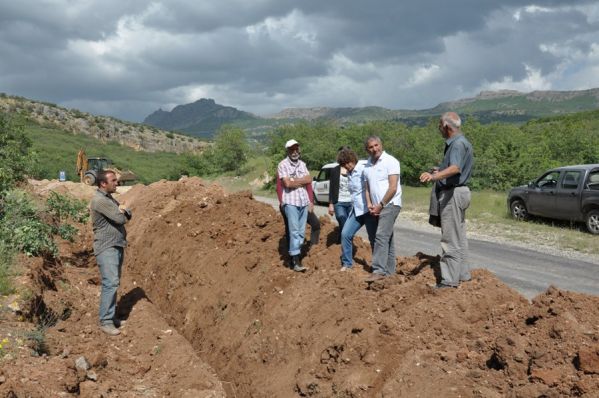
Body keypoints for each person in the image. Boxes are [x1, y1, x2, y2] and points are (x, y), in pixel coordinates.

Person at [419, 112, 473, 289]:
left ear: (447, 127)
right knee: (460, 237)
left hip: (453, 194)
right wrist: (440, 169)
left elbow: (456, 168)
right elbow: (455, 167)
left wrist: (433, 177)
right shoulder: (463, 142)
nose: (439, 129)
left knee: (450, 238)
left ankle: (449, 281)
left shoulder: (456, 144)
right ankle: (463, 275)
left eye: (439, 126)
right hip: (462, 192)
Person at [90, 169, 132, 335]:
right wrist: (123, 211)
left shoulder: (108, 198)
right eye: (113, 180)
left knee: (114, 282)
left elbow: (126, 213)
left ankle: (111, 316)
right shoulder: (100, 200)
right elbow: (121, 218)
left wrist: (124, 210)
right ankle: (106, 321)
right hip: (107, 247)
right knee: (111, 282)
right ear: (103, 183)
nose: (117, 183)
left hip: (116, 245)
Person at [363, 135, 402, 281]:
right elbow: (366, 188)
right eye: (371, 147)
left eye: (376, 145)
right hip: (377, 206)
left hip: (390, 204)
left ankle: (378, 270)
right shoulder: (367, 165)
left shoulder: (391, 161)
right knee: (387, 238)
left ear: (381, 145)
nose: (374, 149)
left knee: (380, 236)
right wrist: (369, 204)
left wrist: (381, 205)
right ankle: (390, 273)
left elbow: (393, 188)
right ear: (367, 150)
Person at [277, 139, 312, 272]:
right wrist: (299, 181)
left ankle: (295, 255)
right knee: (294, 231)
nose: (295, 151)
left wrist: (294, 180)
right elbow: (287, 184)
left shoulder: (302, 164)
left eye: (296, 149)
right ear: (288, 150)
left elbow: (309, 180)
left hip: (303, 201)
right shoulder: (283, 165)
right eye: (292, 149)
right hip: (290, 202)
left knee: (301, 232)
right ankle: (295, 260)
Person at [337, 148, 374, 271]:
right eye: (344, 164)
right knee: (345, 234)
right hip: (356, 210)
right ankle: (347, 264)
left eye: (348, 162)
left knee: (373, 238)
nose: (347, 166)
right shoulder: (349, 173)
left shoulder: (365, 167)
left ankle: (378, 266)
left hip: (369, 209)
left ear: (353, 159)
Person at [276, 171, 320, 247]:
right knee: (291, 229)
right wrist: (282, 203)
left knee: (315, 224)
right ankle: (293, 254)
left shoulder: (302, 167)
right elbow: (279, 187)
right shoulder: (283, 167)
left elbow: (308, 185)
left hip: (303, 203)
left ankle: (313, 248)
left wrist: (311, 202)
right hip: (288, 204)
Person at [328, 147, 353, 241]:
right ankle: (344, 239)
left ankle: (343, 240)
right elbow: (332, 188)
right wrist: (330, 204)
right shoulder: (334, 170)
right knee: (342, 218)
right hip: (339, 202)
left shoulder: (352, 168)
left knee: (349, 224)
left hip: (351, 202)